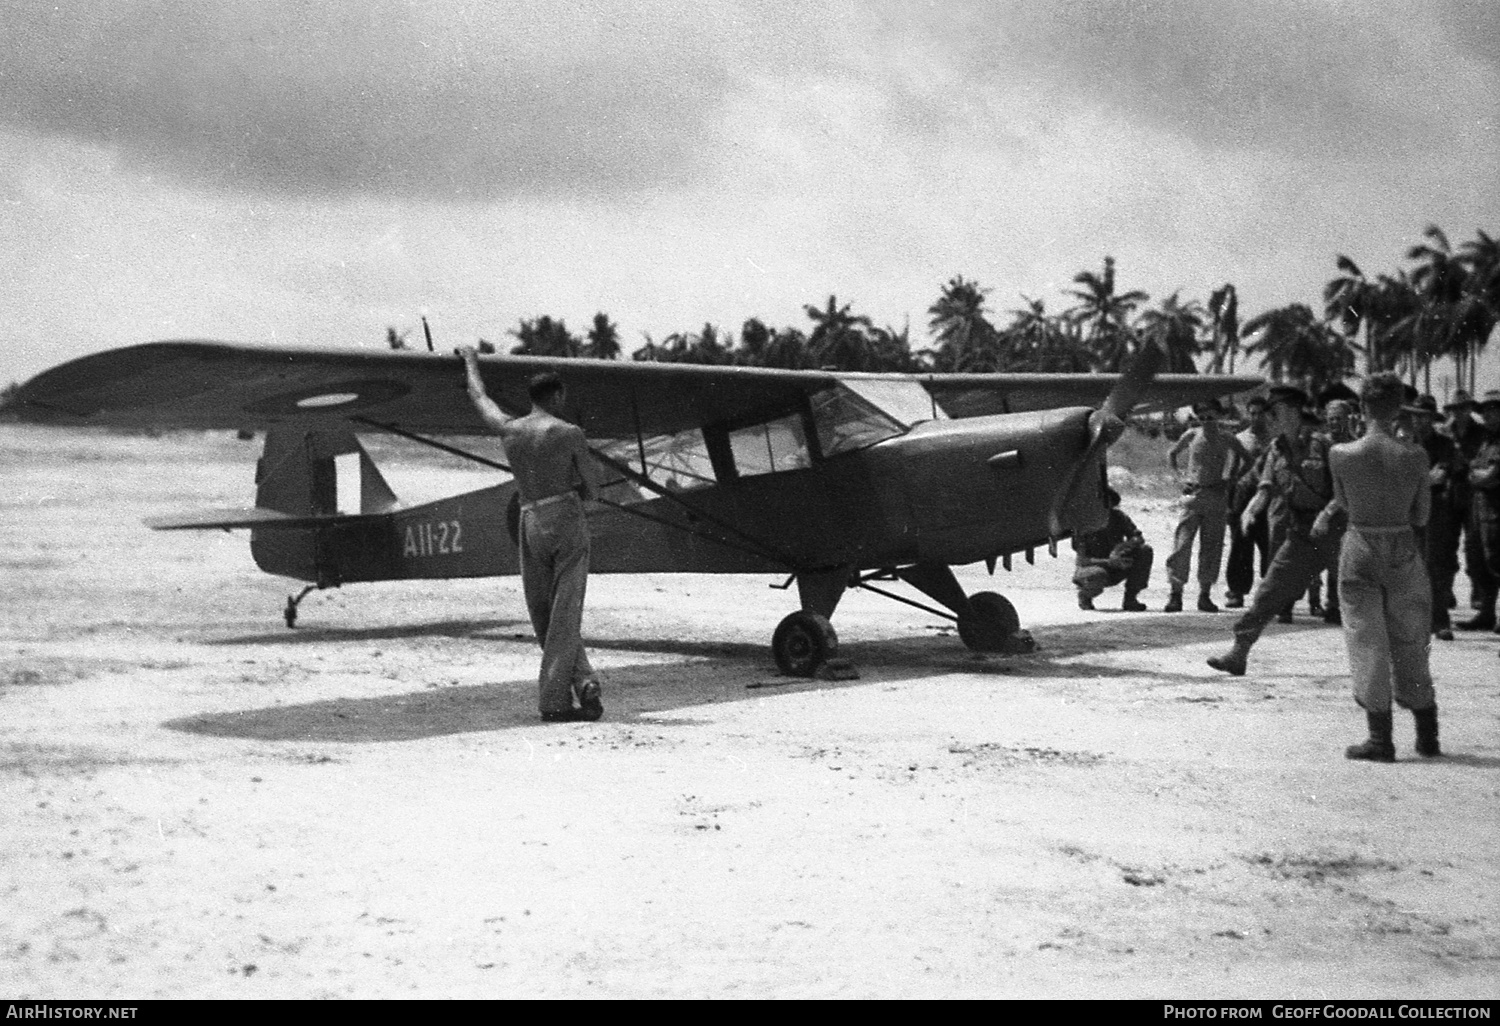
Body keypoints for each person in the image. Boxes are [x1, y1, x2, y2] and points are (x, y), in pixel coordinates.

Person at [459, 347, 605, 722]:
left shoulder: (510, 430)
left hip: (529, 518)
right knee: (566, 609)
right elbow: (592, 489)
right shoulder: (569, 433)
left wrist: (471, 361)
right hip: (565, 517)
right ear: (556, 396)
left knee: (543, 612)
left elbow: (479, 397)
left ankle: (584, 681)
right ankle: (554, 702)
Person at [1312, 372, 1439, 761]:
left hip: (1361, 543)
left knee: (1366, 640)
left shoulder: (1342, 455)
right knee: (1411, 637)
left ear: (1362, 407)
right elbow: (1421, 516)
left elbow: (1343, 503)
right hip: (1403, 544)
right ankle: (1427, 734)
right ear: (1399, 407)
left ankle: (1380, 739)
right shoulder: (1416, 456)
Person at [1207, 385, 1339, 676]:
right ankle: (1239, 653)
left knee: (1357, 597)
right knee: (1269, 591)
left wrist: (1327, 515)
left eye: (1274, 412)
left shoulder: (1324, 445)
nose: (1268, 419)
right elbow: (1265, 487)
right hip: (1301, 532)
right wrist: (1251, 509)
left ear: (1292, 411)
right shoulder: (1276, 448)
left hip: (1336, 533)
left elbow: (1344, 491)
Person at [1164, 399, 1250, 612]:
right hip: (1193, 495)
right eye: (1202, 418)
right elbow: (1173, 454)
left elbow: (1248, 459)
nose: (1206, 422)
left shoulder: (1227, 438)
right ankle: (1176, 594)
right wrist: (1180, 478)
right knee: (1182, 545)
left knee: (1211, 547)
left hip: (1216, 497)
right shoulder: (1192, 435)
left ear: (1218, 416)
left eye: (1210, 417)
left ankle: (1205, 595)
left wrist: (1231, 479)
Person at [1404, 395, 1465, 640]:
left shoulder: (1444, 444)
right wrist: (1423, 480)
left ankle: (1440, 620)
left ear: (1431, 418)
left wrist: (1420, 480)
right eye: (1415, 415)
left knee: (1435, 566)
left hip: (1436, 511)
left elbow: (1442, 474)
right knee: (1409, 565)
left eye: (1424, 416)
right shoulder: (1405, 442)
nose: (1419, 420)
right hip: (1407, 509)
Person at [1457, 390, 1500, 634]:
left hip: (1496, 507)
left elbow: (1490, 475)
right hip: (1480, 507)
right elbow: (1476, 468)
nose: (1488, 416)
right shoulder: (1486, 440)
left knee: (1497, 559)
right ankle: (1486, 612)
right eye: (1485, 411)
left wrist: (1477, 476)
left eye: (1493, 410)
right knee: (1479, 560)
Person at [1224, 397, 1272, 609]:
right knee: (1240, 547)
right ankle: (1236, 591)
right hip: (1242, 497)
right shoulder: (1240, 439)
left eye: (1260, 413)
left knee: (1270, 547)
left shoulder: (1275, 440)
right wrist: (1229, 505)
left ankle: (1270, 593)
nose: (1255, 417)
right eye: (1252, 413)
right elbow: (1231, 472)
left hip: (1268, 498)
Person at [1072, 488, 1153, 611]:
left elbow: (1138, 538)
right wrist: (1108, 561)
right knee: (1097, 574)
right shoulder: (1084, 523)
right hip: (1091, 569)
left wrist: (1120, 549)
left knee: (1144, 551)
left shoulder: (1118, 517)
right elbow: (1082, 560)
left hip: (1117, 566)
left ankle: (1131, 598)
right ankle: (1085, 596)